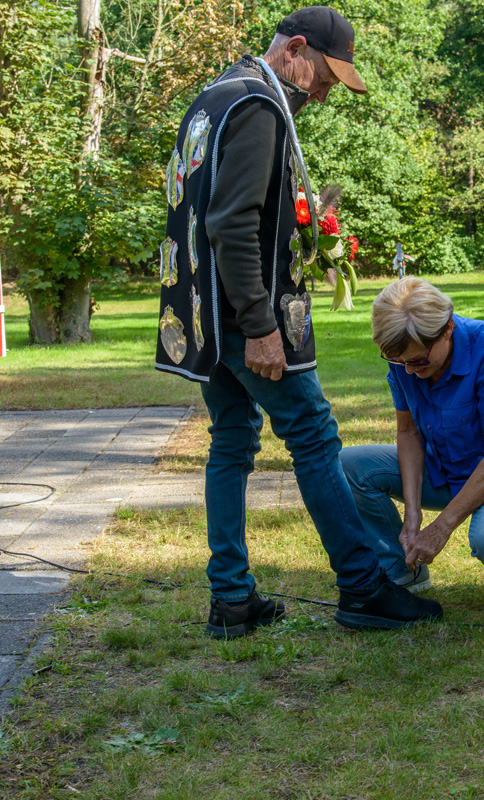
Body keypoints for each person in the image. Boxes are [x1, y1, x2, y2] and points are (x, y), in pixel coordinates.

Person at [154, 7, 442, 637]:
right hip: (243, 315)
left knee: (232, 439)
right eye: (326, 76)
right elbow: (231, 224)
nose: (326, 92)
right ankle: (362, 586)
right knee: (313, 435)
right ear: (296, 49)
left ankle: (232, 598)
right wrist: (260, 326)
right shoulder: (258, 104)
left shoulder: (217, 94)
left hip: (206, 312)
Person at [340, 278, 484, 607]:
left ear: (448, 328)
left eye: (418, 361)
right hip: (444, 471)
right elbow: (408, 432)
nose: (409, 371)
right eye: (399, 362)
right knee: (347, 467)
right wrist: (412, 515)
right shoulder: (406, 359)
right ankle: (404, 568)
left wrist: (441, 528)